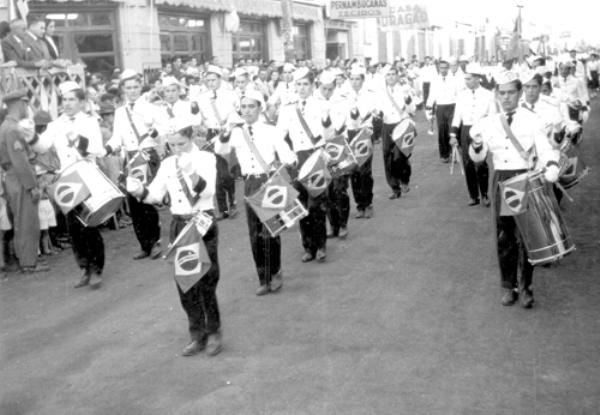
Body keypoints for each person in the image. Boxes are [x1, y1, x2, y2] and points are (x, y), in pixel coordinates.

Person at [126, 122, 222, 357]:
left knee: (206, 280)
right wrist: (139, 191)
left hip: (202, 220)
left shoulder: (206, 158)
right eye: (172, 144)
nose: (177, 149)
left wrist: (191, 171)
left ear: (191, 139)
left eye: (182, 143)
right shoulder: (168, 163)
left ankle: (214, 331)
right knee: (186, 282)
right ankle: (196, 334)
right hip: (180, 223)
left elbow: (207, 192)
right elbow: (157, 195)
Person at [469, 70, 560, 308]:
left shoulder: (532, 119)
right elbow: (479, 157)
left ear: (520, 93)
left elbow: (544, 148)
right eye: (502, 93)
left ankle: (527, 286)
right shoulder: (488, 122)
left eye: (511, 92)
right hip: (502, 180)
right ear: (497, 95)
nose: (507, 97)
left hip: (524, 177)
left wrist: (551, 164)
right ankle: (509, 286)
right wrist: (477, 143)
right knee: (504, 235)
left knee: (527, 236)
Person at [218, 90, 297, 295]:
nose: (247, 111)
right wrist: (225, 131)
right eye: (243, 107)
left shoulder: (270, 130)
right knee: (254, 234)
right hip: (249, 184)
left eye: (251, 106)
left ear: (260, 108)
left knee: (271, 230)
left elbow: (287, 155)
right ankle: (263, 278)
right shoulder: (236, 132)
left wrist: (286, 169)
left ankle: (276, 271)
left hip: (269, 181)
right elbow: (221, 150)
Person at [34, 82, 107, 288]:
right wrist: (30, 135)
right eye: (64, 100)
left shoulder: (90, 121)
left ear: (81, 102)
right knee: (73, 228)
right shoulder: (55, 124)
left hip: (86, 176)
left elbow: (97, 149)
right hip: (67, 180)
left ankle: (96, 269)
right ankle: (84, 267)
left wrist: (77, 138)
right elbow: (42, 145)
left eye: (71, 99)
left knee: (89, 224)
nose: (67, 104)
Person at [106, 69, 163, 260]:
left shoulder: (151, 108)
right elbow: (117, 137)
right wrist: (108, 148)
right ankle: (144, 245)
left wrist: (152, 130)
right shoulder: (120, 112)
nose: (132, 91)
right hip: (130, 159)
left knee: (146, 199)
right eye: (128, 87)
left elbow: (162, 134)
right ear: (122, 89)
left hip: (146, 156)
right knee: (133, 203)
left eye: (135, 87)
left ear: (140, 87)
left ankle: (155, 242)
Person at [277, 68, 332, 263]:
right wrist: (288, 156)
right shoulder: (287, 108)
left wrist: (324, 150)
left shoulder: (321, 105)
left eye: (305, 84)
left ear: (312, 85)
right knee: (301, 204)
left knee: (317, 203)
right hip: (296, 158)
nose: (301, 88)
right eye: (298, 84)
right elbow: (279, 136)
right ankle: (308, 246)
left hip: (315, 154)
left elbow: (329, 133)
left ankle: (321, 245)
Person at [0, 88, 49, 273]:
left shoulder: (5, 126)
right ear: (20, 104)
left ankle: (26, 260)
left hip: (13, 177)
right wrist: (32, 186)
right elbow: (20, 162)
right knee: (27, 220)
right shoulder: (13, 129)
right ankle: (29, 263)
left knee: (21, 219)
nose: (27, 107)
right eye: (26, 103)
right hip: (20, 178)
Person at [196, 65, 240, 220]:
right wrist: (201, 127)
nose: (211, 83)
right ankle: (223, 209)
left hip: (226, 135)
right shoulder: (201, 97)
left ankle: (232, 201)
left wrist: (227, 128)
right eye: (208, 80)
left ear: (220, 79)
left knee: (226, 174)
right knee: (215, 174)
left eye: (213, 80)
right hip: (211, 134)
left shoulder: (231, 95)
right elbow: (199, 118)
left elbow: (237, 116)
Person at [450, 63, 496, 206]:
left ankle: (484, 194)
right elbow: (457, 116)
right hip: (466, 130)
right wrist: (453, 135)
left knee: (481, 162)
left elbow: (493, 115)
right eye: (465, 79)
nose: (466, 81)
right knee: (468, 163)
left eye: (469, 79)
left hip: (481, 131)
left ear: (477, 79)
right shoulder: (462, 95)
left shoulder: (489, 95)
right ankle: (473, 195)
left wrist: (489, 132)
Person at [375, 65, 416, 199]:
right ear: (385, 77)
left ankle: (404, 180)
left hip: (401, 124)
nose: (391, 77)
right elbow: (377, 108)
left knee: (400, 156)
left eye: (393, 74)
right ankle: (394, 187)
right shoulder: (380, 91)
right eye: (388, 75)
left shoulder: (403, 89)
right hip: (387, 125)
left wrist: (408, 99)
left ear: (397, 76)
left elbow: (412, 108)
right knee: (387, 156)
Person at [345, 66, 376, 219]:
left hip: (364, 133)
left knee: (365, 171)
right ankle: (360, 205)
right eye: (352, 79)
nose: (355, 82)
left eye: (358, 79)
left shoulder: (370, 95)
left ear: (363, 80)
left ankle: (368, 203)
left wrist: (370, 127)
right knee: (354, 171)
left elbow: (375, 112)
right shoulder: (344, 96)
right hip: (350, 134)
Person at [426, 58, 460, 163]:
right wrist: (429, 107)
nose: (444, 70)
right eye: (441, 68)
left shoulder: (454, 79)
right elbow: (431, 95)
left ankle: (454, 154)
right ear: (439, 69)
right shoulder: (435, 80)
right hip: (440, 107)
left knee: (452, 130)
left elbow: (458, 94)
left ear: (448, 68)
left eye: (445, 68)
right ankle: (444, 154)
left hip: (452, 106)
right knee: (442, 131)